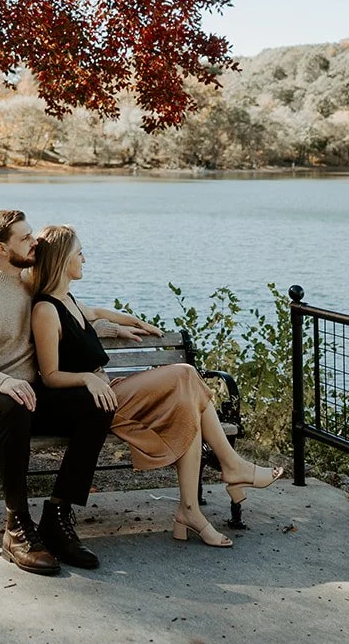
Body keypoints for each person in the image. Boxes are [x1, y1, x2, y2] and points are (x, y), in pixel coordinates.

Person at [28, 224, 283, 548]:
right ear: (63, 259)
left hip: (111, 391)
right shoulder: (45, 310)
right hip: (95, 403)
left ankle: (189, 511)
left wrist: (131, 324)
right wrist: (88, 377)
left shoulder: (68, 300)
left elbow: (96, 313)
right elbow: (49, 375)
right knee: (186, 374)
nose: (85, 259)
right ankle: (232, 466)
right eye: (79, 253)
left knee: (189, 404)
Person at [0, 209, 123, 575]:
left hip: (31, 397)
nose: (35, 242)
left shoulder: (30, 283)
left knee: (98, 403)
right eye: (25, 238)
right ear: (1, 248)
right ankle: (16, 526)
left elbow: (75, 311)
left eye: (32, 235)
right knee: (14, 406)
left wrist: (116, 325)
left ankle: (57, 515)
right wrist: (4, 382)